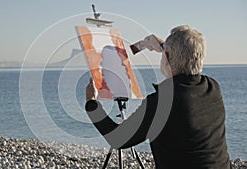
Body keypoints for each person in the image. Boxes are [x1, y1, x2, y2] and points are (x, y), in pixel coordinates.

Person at [85, 25, 231, 169]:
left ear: (166, 56)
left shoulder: (162, 103)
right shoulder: (212, 87)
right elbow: (186, 55)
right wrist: (158, 46)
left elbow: (118, 138)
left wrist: (92, 103)